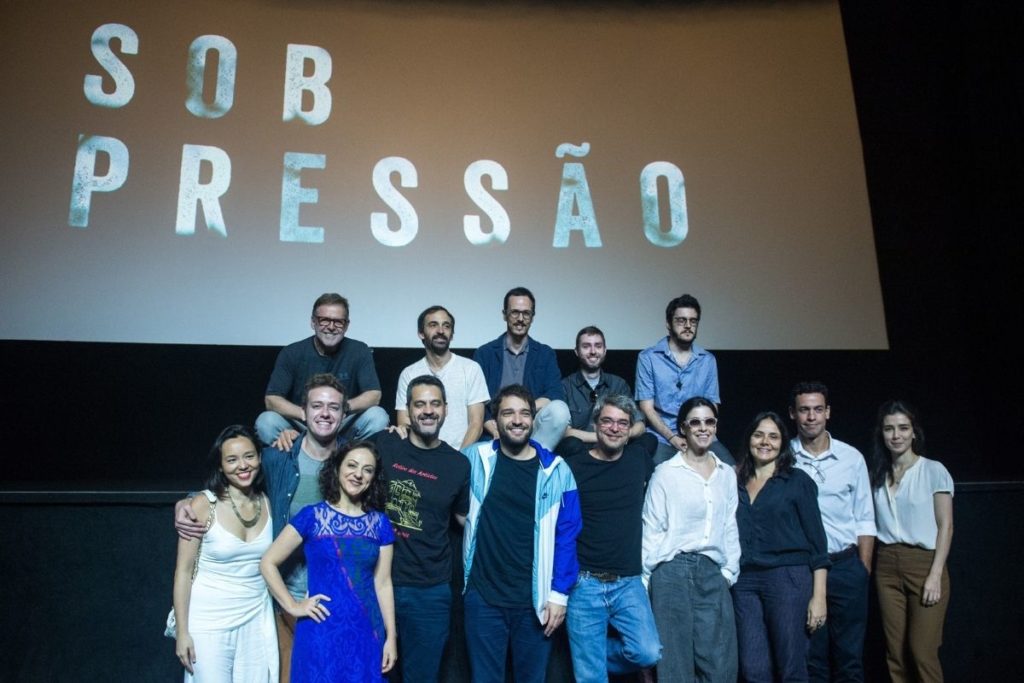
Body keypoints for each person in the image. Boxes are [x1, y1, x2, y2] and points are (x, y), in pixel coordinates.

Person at [176, 374, 347, 683]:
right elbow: (231, 480)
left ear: (344, 414)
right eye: (317, 406)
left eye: (333, 407)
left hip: (334, 599)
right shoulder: (277, 459)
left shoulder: (352, 462)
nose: (325, 413)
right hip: (284, 599)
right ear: (303, 412)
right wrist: (187, 503)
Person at [462, 384, 582, 683]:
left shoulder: (557, 470)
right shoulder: (475, 459)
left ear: (533, 419)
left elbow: (568, 535)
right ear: (496, 420)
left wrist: (559, 595)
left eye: (525, 413)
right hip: (483, 599)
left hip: (535, 602)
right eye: (508, 413)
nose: (517, 420)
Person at [260, 441, 397, 683]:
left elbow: (383, 582)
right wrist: (293, 606)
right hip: (319, 630)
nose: (358, 474)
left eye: (367, 469)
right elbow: (268, 562)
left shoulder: (380, 524)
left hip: (367, 630)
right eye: (352, 465)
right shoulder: (311, 517)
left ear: (373, 478)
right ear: (336, 468)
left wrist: (391, 638)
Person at [557, 394, 661, 683]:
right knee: (591, 678)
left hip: (628, 583)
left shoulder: (639, 459)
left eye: (622, 423)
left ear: (629, 430)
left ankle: (588, 654)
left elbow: (651, 440)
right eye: (607, 421)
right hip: (584, 583)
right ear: (595, 425)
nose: (615, 428)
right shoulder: (573, 467)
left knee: (647, 652)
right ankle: (587, 658)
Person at [373, 375, 470, 683]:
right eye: (420, 404)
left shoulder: (458, 464)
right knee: (369, 673)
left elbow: (465, 521)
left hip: (429, 590)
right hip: (375, 583)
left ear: (445, 409)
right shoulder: (384, 443)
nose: (428, 411)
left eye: (435, 404)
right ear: (408, 410)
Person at [642, 397, 739, 682]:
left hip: (712, 573)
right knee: (674, 667)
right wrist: (646, 583)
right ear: (683, 428)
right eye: (695, 422)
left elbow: (729, 525)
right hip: (671, 573)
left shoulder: (725, 474)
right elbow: (651, 529)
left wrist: (728, 572)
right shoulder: (665, 473)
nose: (703, 428)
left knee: (719, 666)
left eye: (709, 422)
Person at [172, 425, 278, 682]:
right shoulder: (202, 505)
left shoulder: (267, 501)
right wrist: (182, 633)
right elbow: (183, 573)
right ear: (220, 466)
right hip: (209, 620)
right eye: (231, 459)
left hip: (255, 615)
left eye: (249, 456)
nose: (242, 465)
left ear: (259, 458)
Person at [733, 412, 830, 683]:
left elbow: (818, 544)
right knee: (753, 669)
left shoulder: (798, 482)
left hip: (787, 578)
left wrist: (819, 597)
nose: (765, 442)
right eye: (758, 434)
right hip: (744, 582)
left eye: (773, 436)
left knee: (791, 667)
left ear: (783, 443)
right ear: (749, 439)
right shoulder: (733, 482)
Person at [789, 382, 875, 683]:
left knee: (849, 659)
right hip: (805, 570)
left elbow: (865, 518)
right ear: (793, 414)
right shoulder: (784, 458)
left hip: (846, 567)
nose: (811, 417)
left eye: (817, 409)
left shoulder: (851, 458)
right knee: (813, 659)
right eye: (804, 410)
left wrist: (862, 569)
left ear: (828, 412)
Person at [869, 400, 953, 683]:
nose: (896, 435)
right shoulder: (877, 475)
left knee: (922, 652)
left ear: (914, 432)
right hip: (887, 564)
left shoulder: (933, 470)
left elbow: (946, 526)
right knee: (895, 653)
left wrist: (935, 575)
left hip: (924, 563)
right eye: (889, 429)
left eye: (903, 428)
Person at [255, 292, 388, 445]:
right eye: (324, 320)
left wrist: (340, 409)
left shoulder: (359, 350)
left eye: (338, 322)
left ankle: (347, 458)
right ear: (313, 322)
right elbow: (271, 400)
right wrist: (306, 413)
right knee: (266, 421)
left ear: (346, 326)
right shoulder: (291, 352)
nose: (331, 327)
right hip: (302, 425)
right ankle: (300, 456)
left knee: (378, 416)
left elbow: (374, 395)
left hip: (341, 424)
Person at [635, 294, 731, 466]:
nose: (688, 326)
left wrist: (697, 433)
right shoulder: (648, 357)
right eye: (681, 320)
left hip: (699, 432)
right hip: (662, 436)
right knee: (660, 474)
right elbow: (647, 408)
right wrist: (672, 437)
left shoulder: (707, 360)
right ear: (668, 323)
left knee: (731, 470)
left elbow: (712, 406)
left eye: (693, 321)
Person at [473, 286, 570, 451]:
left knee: (560, 410)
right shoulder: (485, 353)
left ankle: (535, 459)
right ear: (505, 315)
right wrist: (493, 427)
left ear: (532, 317)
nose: (520, 318)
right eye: (514, 312)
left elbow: (555, 394)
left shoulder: (545, 354)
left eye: (526, 313)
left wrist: (523, 411)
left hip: (532, 427)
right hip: (495, 426)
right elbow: (477, 400)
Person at [394, 306, 489, 449]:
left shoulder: (471, 369)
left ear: (452, 334)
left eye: (446, 326)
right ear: (421, 333)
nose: (441, 331)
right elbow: (404, 423)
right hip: (421, 457)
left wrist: (457, 459)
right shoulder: (409, 374)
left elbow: (476, 424)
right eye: (433, 325)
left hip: (460, 455)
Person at [561, 326, 646, 443]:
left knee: (649, 440)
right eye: (586, 346)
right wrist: (603, 438)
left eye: (598, 346)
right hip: (580, 451)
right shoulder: (564, 386)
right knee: (571, 444)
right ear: (577, 351)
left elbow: (639, 424)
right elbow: (563, 431)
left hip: (615, 449)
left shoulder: (619, 384)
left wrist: (622, 436)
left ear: (605, 350)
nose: (593, 351)